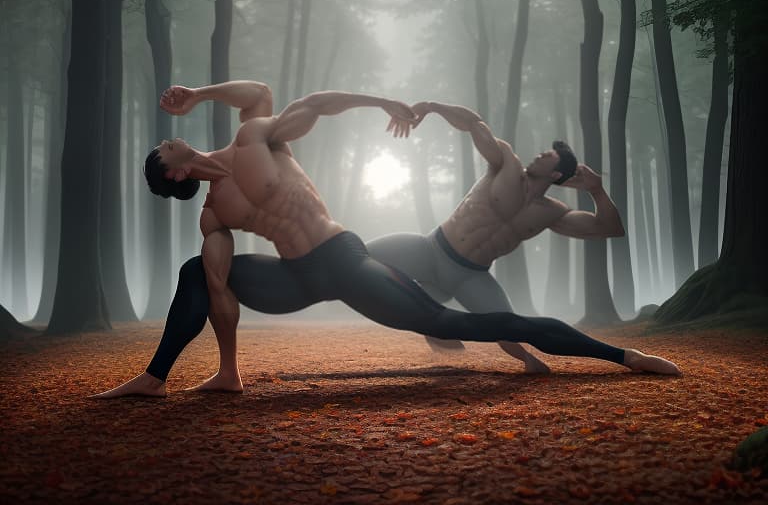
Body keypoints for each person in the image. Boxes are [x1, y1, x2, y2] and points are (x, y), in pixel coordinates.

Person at [92, 81, 680, 399]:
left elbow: (296, 100)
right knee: (198, 273)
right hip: (296, 278)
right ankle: (161, 377)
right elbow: (220, 291)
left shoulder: (251, 139)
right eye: (162, 148)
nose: (168, 139)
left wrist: (199, 94)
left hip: (342, 257)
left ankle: (620, 356)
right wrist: (228, 365)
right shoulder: (215, 214)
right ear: (172, 174)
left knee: (459, 325)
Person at [367, 101, 622, 374]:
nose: (540, 154)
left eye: (548, 155)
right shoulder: (505, 165)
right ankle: (433, 324)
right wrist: (430, 108)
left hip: (471, 276)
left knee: (508, 329)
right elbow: (473, 123)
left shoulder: (551, 212)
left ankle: (526, 360)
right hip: (431, 249)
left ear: (556, 174)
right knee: (355, 253)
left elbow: (607, 228)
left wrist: (596, 190)